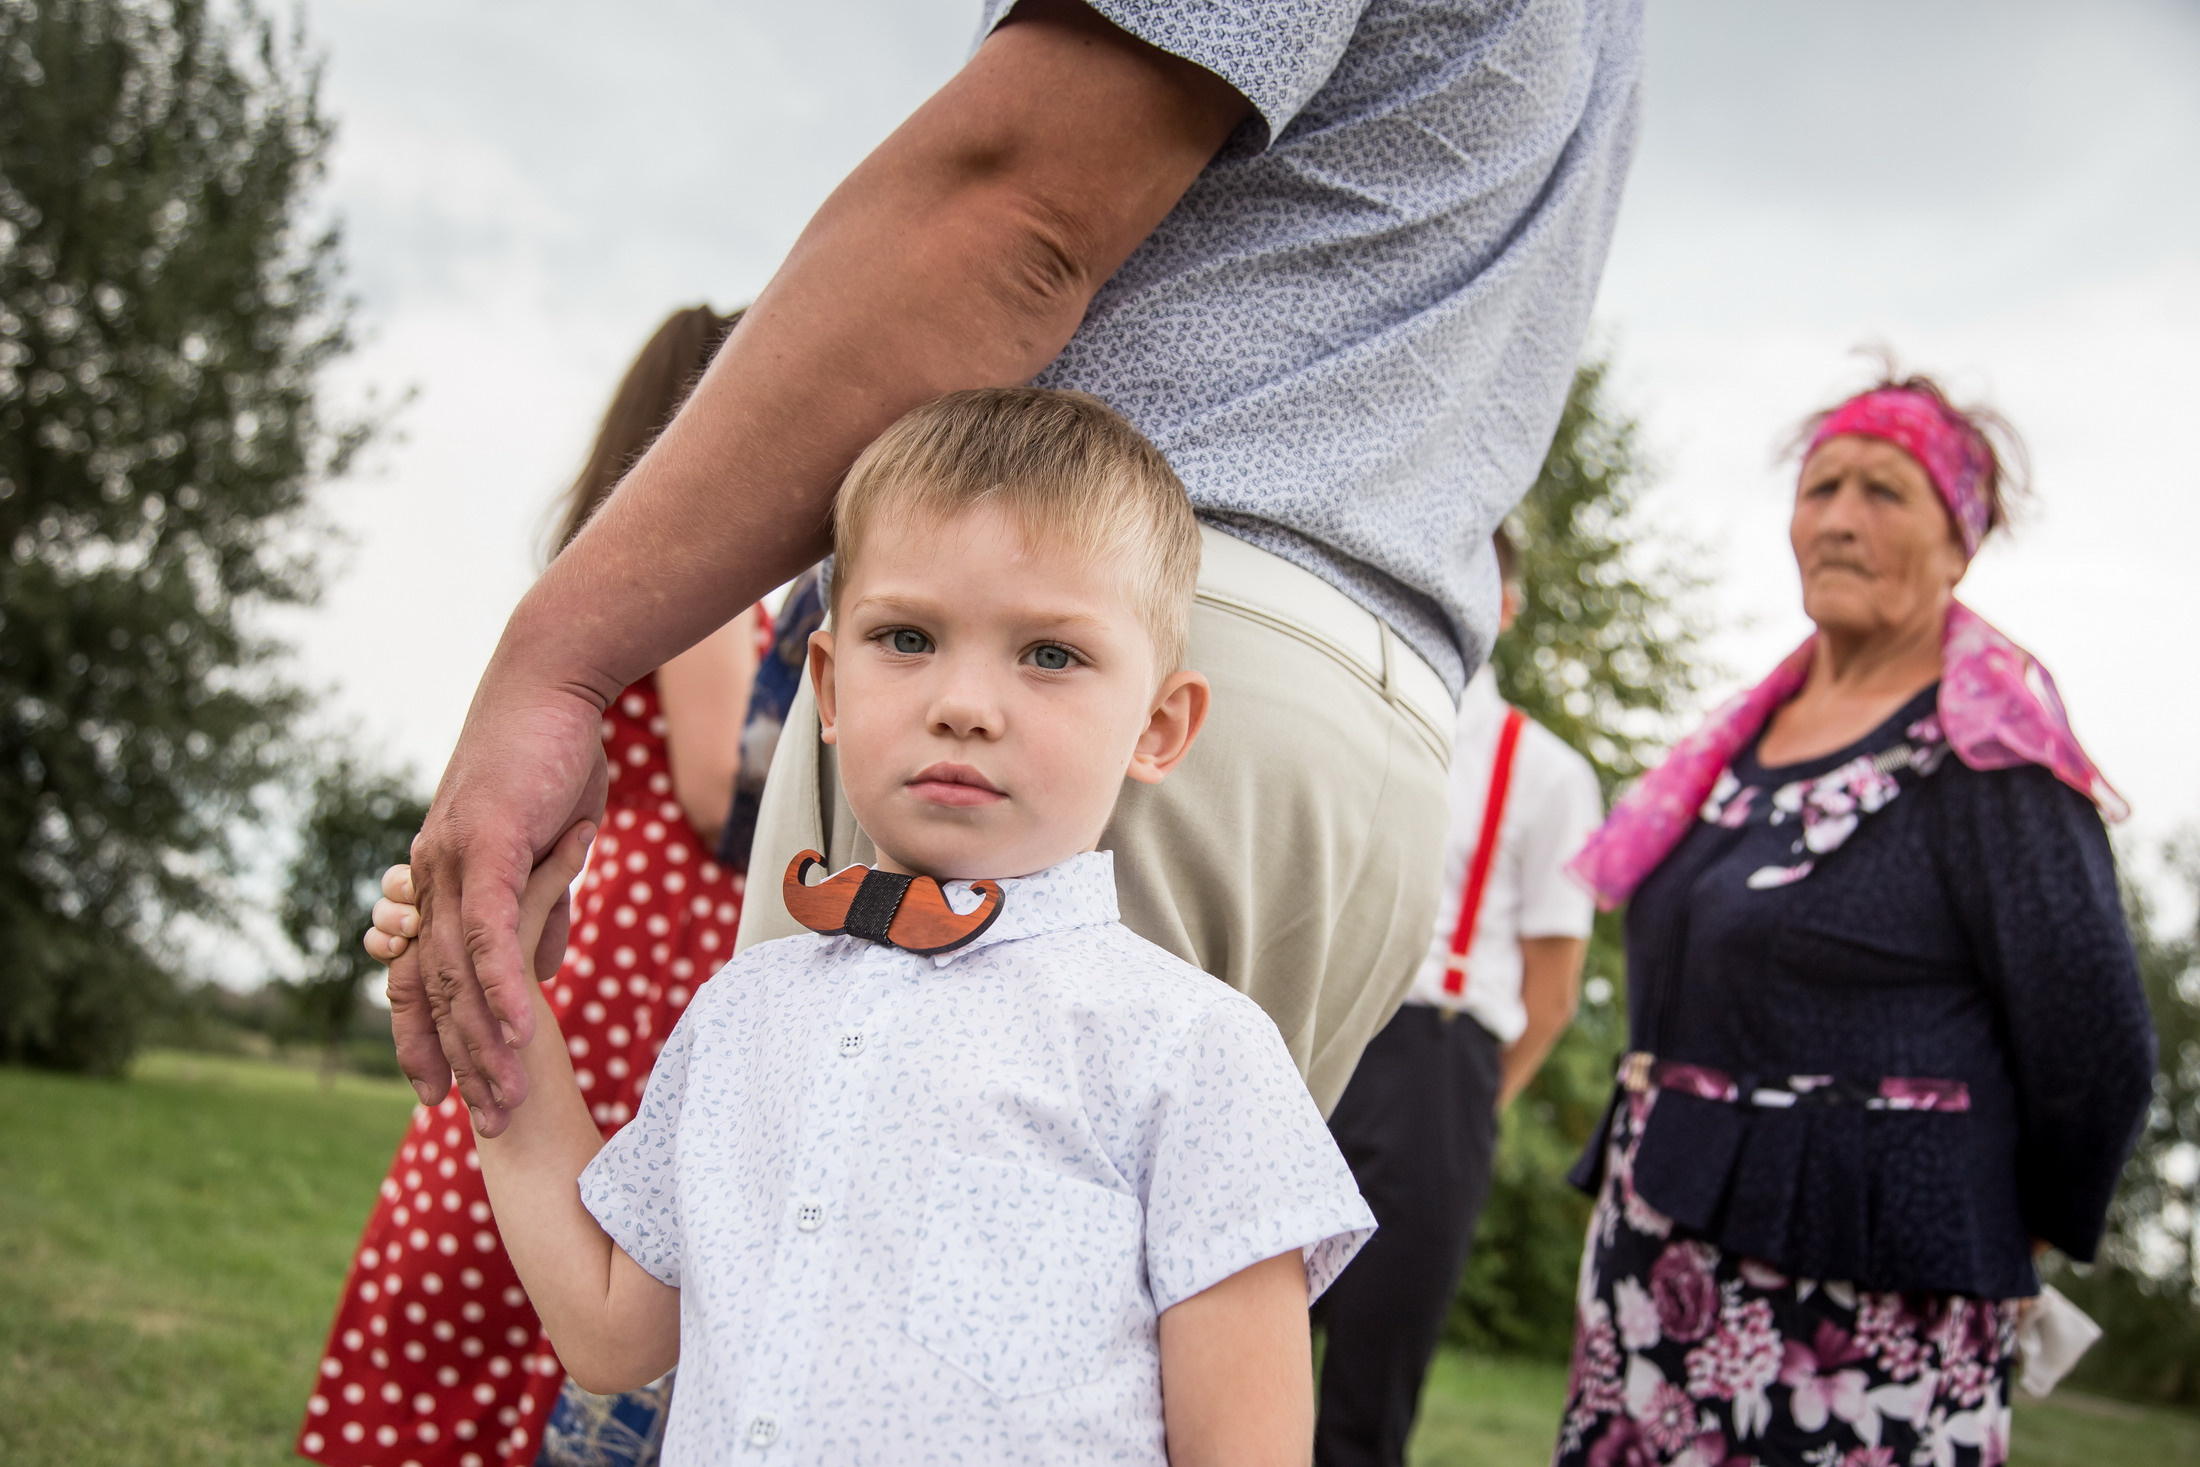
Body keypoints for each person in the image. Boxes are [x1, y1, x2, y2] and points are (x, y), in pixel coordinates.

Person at [391, 0, 1645, 1135]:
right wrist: (511, 1065)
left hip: (1143, 625)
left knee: (844, 1333)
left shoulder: (1014, 721)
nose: (951, 695)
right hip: (1363, 740)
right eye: (898, 643)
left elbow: (1016, 210)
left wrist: (557, 665)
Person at [372, 387, 1376, 1464]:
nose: (965, 703)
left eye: (1049, 654)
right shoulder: (742, 1008)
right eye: (907, 637)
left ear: (1160, 725)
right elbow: (613, 1332)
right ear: (831, 683)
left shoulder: (1196, 1051)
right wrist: (494, 993)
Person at [1554, 371, 2156, 1467]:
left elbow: (2096, 1048)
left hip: (1867, 1295)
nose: (1838, 517)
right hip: (1660, 1265)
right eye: (1819, 485)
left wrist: (1997, 1220)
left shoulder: (1988, 753)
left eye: (1885, 491)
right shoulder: (1736, 748)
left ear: (1959, 542)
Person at [299, 307, 773, 1467]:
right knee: (562, 1248)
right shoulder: (703, 571)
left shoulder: (622, 576)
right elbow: (719, 791)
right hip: (639, 962)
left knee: (522, 1245)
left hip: (625, 943)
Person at [1312, 526, 1602, 1467]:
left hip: (1438, 1061)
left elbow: (1553, 994)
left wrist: (1468, 1105)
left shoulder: (1551, 774)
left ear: (1504, 606)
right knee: (1224, 1333)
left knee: (1372, 1374)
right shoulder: (1350, 715)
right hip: (1310, 1029)